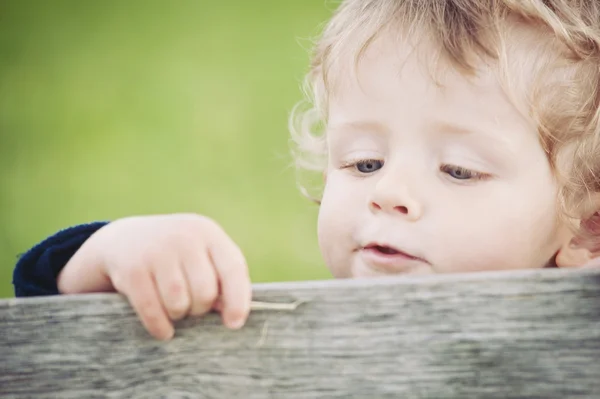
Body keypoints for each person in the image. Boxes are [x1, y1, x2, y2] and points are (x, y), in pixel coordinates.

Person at [13, 0, 600, 340]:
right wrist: (114, 253)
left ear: (585, 229)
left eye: (459, 170)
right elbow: (42, 341)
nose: (389, 191)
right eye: (363, 162)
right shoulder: (273, 332)